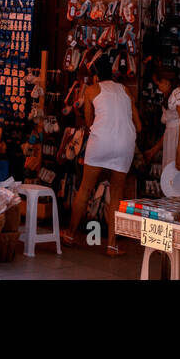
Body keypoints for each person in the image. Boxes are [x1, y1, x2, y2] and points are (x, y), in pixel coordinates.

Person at [61, 53, 141, 256]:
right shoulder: (124, 90)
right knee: (117, 195)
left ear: (95, 75)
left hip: (101, 140)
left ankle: (70, 234)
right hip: (125, 142)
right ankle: (112, 245)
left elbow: (88, 121)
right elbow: (138, 124)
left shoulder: (91, 90)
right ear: (112, 72)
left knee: (85, 188)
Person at [143, 63, 180, 190]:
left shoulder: (179, 92)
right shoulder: (172, 95)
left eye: (158, 83)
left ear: (166, 81)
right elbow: (171, 128)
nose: (158, 88)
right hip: (176, 144)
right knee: (175, 188)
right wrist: (154, 150)